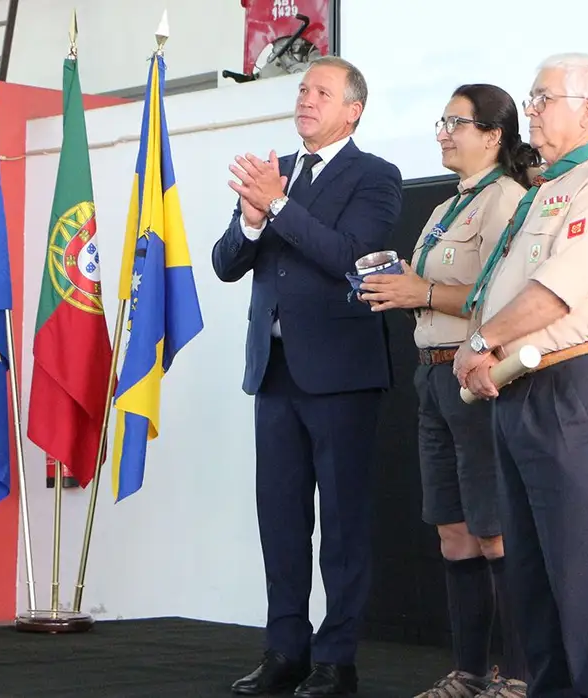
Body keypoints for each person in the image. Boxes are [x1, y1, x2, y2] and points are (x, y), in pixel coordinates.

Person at [452, 53, 588, 698]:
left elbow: (554, 293)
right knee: (532, 575)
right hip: (519, 388)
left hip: (576, 384)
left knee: (587, 569)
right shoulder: (543, 189)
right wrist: (484, 353)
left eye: (543, 99)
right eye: (531, 100)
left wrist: (479, 341)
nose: (529, 112)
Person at [212, 56, 403, 698]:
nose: (305, 99)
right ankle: (284, 650)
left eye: (321, 91)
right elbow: (224, 263)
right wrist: (251, 218)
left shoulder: (376, 176)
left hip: (343, 376)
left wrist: (280, 205)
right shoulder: (278, 173)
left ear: (354, 109)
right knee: (281, 521)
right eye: (301, 89)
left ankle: (337, 658)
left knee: (343, 525)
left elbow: (352, 258)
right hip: (274, 374)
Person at [358, 84, 534, 698]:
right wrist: (396, 289)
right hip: (431, 374)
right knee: (452, 530)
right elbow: (428, 290)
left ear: (493, 135)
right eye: (441, 121)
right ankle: (467, 672)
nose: (442, 132)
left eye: (456, 123)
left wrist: (423, 294)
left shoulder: (507, 200)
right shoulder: (444, 208)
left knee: (493, 529)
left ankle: (516, 675)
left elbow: (508, 298)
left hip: (475, 377)